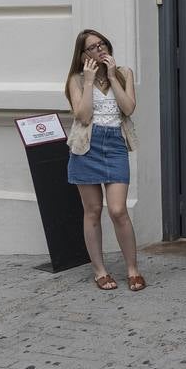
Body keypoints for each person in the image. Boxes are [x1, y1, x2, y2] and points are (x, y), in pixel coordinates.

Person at [65, 29, 146, 292]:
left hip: (115, 145)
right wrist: (88, 82)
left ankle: (133, 269)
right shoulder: (75, 80)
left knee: (118, 210)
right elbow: (84, 116)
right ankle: (99, 271)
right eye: (92, 47)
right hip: (86, 147)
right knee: (93, 212)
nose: (100, 49)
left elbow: (129, 108)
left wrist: (112, 77)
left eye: (102, 44)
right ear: (83, 54)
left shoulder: (124, 73)